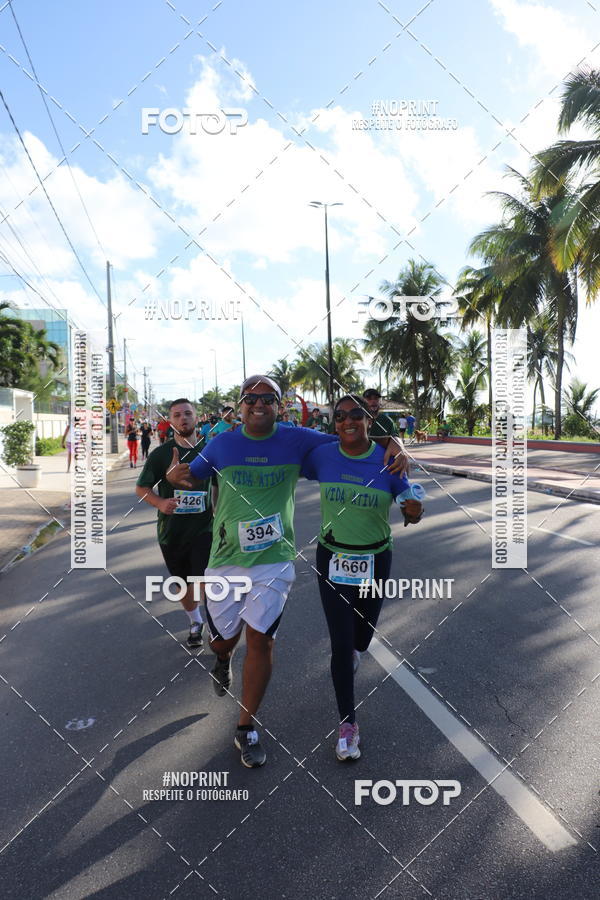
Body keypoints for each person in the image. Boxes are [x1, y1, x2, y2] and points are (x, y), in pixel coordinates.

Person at [167, 375, 410, 768]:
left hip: (274, 560)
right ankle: (222, 658)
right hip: (226, 560)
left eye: (268, 398)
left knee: (261, 641)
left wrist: (395, 442)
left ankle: (245, 727)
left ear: (279, 407)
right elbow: (192, 475)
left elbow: (351, 436)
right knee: (223, 641)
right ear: (240, 405)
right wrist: (175, 477)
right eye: (250, 398)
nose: (258, 404)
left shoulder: (296, 438)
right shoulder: (223, 444)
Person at [301, 395, 423, 761]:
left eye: (356, 414)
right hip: (333, 557)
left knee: (361, 638)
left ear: (369, 419)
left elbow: (411, 505)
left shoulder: (387, 459)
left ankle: (354, 651)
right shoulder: (323, 454)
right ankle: (348, 725)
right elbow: (284, 450)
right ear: (334, 422)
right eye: (340, 416)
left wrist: (414, 509)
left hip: (375, 558)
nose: (347, 421)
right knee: (341, 644)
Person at [136, 399, 214, 648]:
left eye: (188, 413)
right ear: (171, 421)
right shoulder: (161, 454)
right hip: (172, 532)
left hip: (205, 528)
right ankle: (195, 621)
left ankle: (216, 627)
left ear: (197, 417)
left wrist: (221, 513)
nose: (183, 418)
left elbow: (221, 485)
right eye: (177, 415)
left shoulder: (210, 450)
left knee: (206, 580)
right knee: (183, 583)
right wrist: (160, 503)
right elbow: (142, 488)